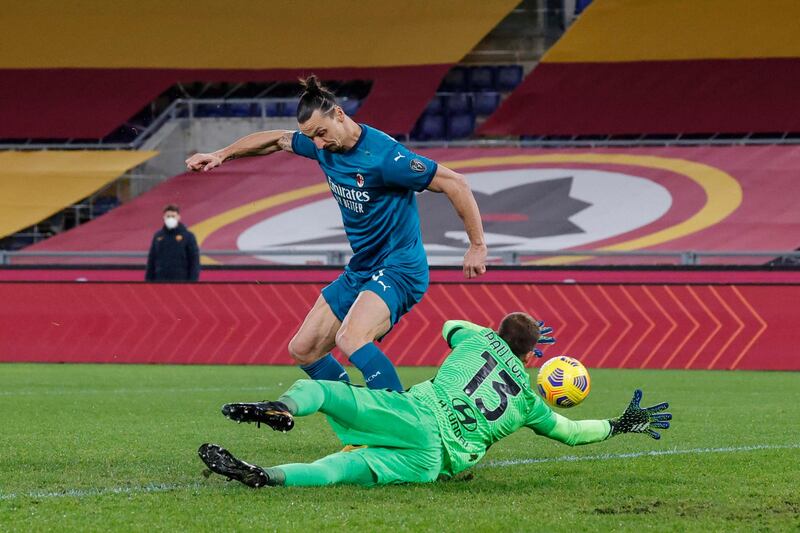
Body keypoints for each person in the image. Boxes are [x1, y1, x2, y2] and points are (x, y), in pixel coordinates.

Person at [185, 75, 488, 392]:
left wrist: (477, 245)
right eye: (310, 136)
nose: (316, 143)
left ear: (339, 115)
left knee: (351, 338)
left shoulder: (386, 158)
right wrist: (221, 154)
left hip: (400, 267)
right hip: (362, 268)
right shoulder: (323, 147)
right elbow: (276, 139)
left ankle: (403, 424)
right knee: (304, 349)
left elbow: (456, 183)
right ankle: (359, 414)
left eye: (321, 133)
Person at [197, 313, 672, 488]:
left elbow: (448, 327)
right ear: (533, 356)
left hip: (419, 414)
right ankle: (266, 476)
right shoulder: (529, 401)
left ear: (497, 334)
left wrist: (496, 336)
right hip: (434, 462)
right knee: (341, 470)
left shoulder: (475, 341)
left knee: (324, 392)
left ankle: (283, 409)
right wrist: (619, 424)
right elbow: (569, 433)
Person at [145, 204, 200, 282]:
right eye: (168, 216)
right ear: (163, 217)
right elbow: (151, 260)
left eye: (173, 216)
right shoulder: (158, 236)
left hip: (181, 280)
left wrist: (193, 282)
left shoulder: (188, 236)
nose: (170, 218)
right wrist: (148, 281)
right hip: (160, 280)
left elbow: (194, 261)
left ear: (178, 217)